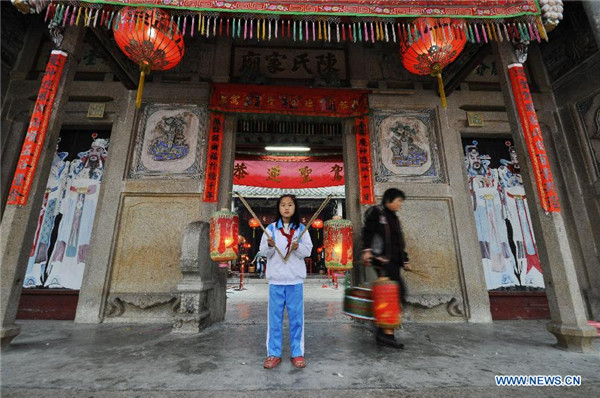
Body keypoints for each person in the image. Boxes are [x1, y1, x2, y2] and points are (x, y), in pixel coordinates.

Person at [259, 195, 313, 369]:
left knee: (296, 319)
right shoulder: (270, 229)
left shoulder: (302, 230)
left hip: (295, 280)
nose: (286, 208)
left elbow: (308, 251)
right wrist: (269, 245)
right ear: (278, 208)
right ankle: (273, 353)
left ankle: (297, 353)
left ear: (295, 207)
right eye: (283, 205)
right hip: (276, 281)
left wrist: (298, 248)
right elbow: (263, 252)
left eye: (290, 205)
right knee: (274, 320)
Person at [361, 188, 411, 349]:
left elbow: (398, 241)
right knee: (392, 295)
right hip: (382, 261)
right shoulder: (377, 213)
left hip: (394, 262)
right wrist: (367, 250)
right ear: (389, 200)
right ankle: (386, 334)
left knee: (396, 295)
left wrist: (405, 259)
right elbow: (367, 231)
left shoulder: (394, 218)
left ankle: (385, 332)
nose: (400, 205)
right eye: (398, 201)